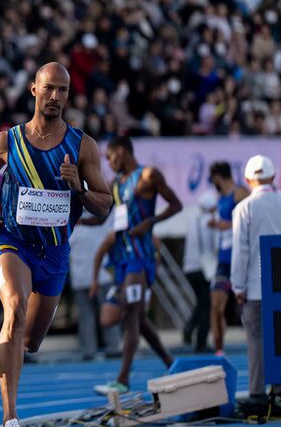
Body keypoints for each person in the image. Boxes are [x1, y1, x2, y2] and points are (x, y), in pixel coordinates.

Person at [0, 62, 112, 427]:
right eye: (48, 88)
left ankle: (8, 360)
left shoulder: (82, 145)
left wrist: (78, 188)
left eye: (63, 91)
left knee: (29, 341)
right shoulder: (7, 141)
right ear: (33, 90)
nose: (55, 97)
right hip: (11, 242)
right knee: (14, 310)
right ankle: (11, 420)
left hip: (53, 252)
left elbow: (104, 205)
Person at [83, 136, 181, 395]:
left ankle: (123, 379)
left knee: (130, 313)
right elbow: (102, 218)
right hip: (123, 261)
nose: (109, 162)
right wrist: (76, 221)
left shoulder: (148, 175)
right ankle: (171, 363)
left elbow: (176, 204)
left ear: (123, 151)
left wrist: (151, 222)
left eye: (110, 156)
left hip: (142, 257)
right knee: (129, 316)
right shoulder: (116, 185)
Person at [231, 155, 281, 416]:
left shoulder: (244, 208)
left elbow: (242, 251)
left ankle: (258, 395)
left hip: (255, 287)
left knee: (257, 342)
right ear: (273, 177)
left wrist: (238, 286)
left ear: (248, 180)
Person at [208, 161, 249, 356]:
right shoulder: (221, 198)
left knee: (249, 304)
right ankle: (219, 349)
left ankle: (256, 342)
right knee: (216, 304)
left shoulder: (239, 192)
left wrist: (228, 225)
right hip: (224, 258)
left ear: (218, 176)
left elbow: (250, 220)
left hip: (240, 256)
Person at [70, 211, 121, 361]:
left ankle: (88, 350)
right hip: (101, 277)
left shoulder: (73, 229)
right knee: (109, 312)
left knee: (86, 317)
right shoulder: (102, 224)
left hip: (79, 279)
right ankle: (113, 347)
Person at [182, 190, 219, 353]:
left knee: (201, 302)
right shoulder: (212, 221)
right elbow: (216, 246)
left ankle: (188, 329)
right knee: (207, 306)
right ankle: (201, 342)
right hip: (205, 270)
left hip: (189, 268)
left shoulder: (192, 220)